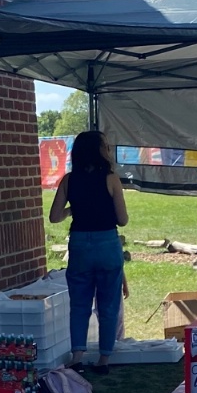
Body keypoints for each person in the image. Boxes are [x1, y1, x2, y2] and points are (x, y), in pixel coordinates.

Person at [48, 130, 129, 374]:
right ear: (100, 151)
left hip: (80, 244)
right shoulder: (111, 179)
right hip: (107, 244)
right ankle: (104, 359)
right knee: (108, 304)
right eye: (106, 146)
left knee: (80, 304)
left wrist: (73, 209)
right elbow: (122, 219)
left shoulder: (68, 180)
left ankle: (77, 356)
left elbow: (54, 217)